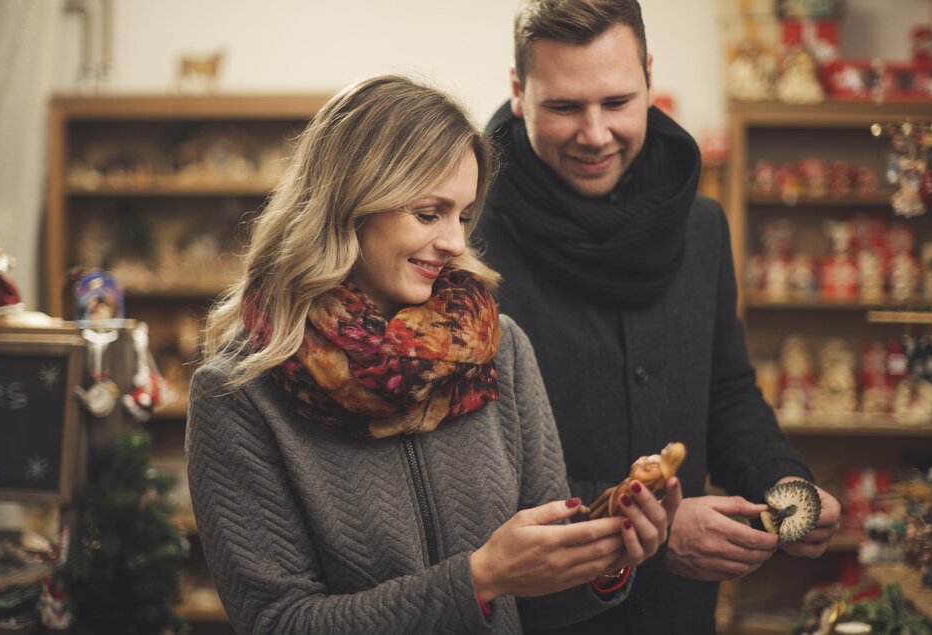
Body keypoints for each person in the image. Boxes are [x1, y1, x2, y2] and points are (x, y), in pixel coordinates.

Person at [186, 75, 681, 634]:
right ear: (349, 206)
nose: (454, 242)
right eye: (429, 213)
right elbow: (279, 622)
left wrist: (604, 557)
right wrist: (478, 579)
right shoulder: (240, 391)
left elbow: (537, 594)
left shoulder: (499, 348)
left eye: (463, 216)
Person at [472, 2, 842, 633]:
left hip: (677, 614)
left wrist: (784, 482)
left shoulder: (702, 227)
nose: (594, 133)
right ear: (517, 93)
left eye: (616, 101)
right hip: (537, 616)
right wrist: (649, 530)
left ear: (648, 76)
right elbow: (470, 466)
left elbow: (724, 393)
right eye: (564, 107)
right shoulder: (466, 239)